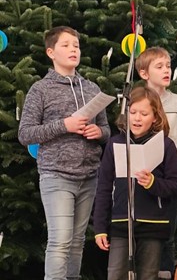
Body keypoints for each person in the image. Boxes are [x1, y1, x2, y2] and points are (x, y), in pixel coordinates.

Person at [18, 26, 111, 280]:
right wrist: (64, 125)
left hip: (89, 175)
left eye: (76, 45)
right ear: (51, 52)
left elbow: (106, 129)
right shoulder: (40, 89)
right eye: (66, 45)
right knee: (60, 240)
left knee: (77, 241)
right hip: (56, 175)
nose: (73, 49)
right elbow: (25, 133)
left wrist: (98, 133)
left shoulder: (91, 88)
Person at [93, 86, 177, 280]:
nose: (137, 118)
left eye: (144, 113)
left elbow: (176, 185)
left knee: (148, 275)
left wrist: (153, 183)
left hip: (153, 223)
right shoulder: (115, 144)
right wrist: (99, 227)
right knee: (115, 274)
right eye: (132, 112)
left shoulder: (165, 145)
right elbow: (104, 187)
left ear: (155, 117)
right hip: (120, 222)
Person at [136, 46, 177, 278]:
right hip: (142, 178)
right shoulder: (136, 100)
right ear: (144, 73)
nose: (166, 70)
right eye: (159, 67)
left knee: (167, 235)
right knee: (144, 236)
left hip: (171, 179)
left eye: (168, 66)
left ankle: (166, 273)